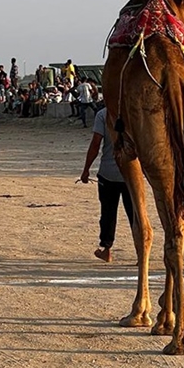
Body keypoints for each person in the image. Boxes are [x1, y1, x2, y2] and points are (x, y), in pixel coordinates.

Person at [79, 107, 135, 262]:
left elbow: (96, 144)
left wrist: (86, 170)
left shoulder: (103, 114)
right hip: (132, 174)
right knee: (135, 214)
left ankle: (106, 249)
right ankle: (141, 251)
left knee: (108, 213)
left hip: (108, 172)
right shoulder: (134, 112)